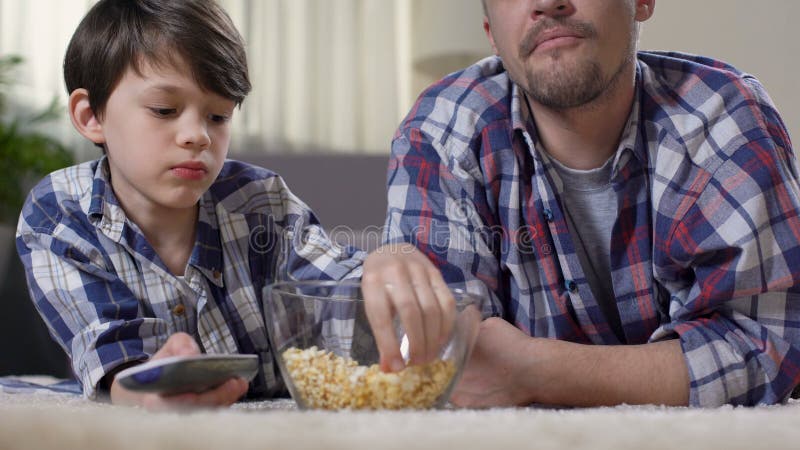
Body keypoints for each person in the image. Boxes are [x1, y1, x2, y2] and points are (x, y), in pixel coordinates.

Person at [15, 0, 454, 410]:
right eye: (165, 110)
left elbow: (331, 298)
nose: (198, 135)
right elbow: (109, 351)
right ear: (91, 116)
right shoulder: (59, 214)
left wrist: (381, 277)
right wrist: (143, 383)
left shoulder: (262, 201)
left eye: (218, 116)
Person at [370, 0, 800, 407]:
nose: (546, 2)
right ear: (492, 37)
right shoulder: (443, 130)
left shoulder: (724, 119)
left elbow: (773, 346)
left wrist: (538, 371)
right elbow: (446, 357)